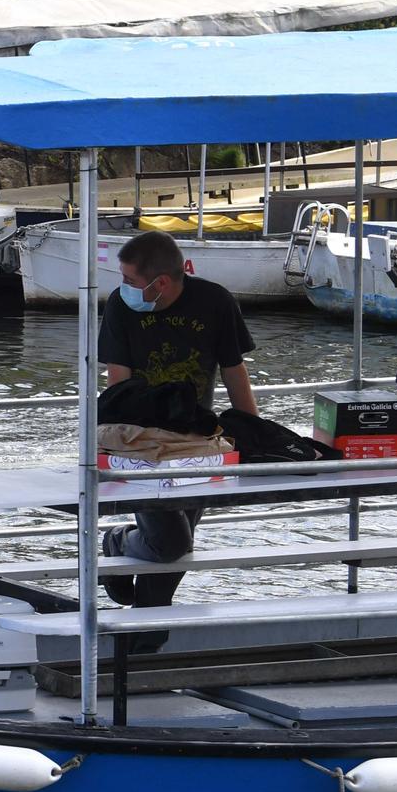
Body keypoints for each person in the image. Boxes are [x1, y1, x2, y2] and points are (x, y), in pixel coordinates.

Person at [98, 230, 258, 632]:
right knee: (172, 543)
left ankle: (147, 631)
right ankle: (116, 541)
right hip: (141, 443)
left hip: (197, 440)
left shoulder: (215, 301)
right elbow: (118, 381)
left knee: (179, 540)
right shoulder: (121, 305)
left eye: (131, 280)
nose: (124, 287)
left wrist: (252, 431)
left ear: (162, 282)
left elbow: (234, 370)